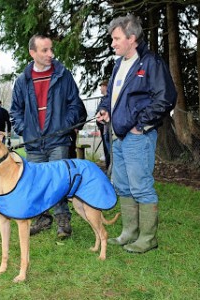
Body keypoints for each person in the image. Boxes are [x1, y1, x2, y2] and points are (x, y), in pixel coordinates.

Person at [96, 15, 177, 253]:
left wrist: (141, 125)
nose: (113, 43)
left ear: (132, 38)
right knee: (122, 185)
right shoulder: (119, 64)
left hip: (137, 136)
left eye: (117, 38)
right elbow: (110, 95)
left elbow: (166, 97)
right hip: (118, 136)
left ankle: (148, 238)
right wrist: (104, 109)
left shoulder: (150, 62)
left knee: (141, 186)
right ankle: (129, 232)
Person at [10, 34, 87, 238]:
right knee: (37, 181)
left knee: (58, 180)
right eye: (45, 50)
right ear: (32, 53)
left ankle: (63, 220)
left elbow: (75, 104)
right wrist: (24, 129)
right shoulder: (22, 81)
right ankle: (42, 218)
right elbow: (15, 111)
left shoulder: (63, 75)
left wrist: (65, 124)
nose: (50, 54)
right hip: (34, 142)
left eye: (51, 49)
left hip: (58, 140)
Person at [96, 80, 111, 170]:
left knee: (109, 149)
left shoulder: (109, 99)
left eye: (101, 86)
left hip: (108, 128)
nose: (100, 88)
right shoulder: (103, 99)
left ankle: (111, 169)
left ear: (105, 86)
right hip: (103, 128)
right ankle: (108, 167)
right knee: (106, 149)